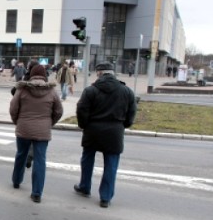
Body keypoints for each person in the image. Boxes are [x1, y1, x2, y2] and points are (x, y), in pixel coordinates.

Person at [74, 62, 137, 208]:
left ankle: (85, 186)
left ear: (99, 73)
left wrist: (84, 125)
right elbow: (132, 111)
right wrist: (124, 125)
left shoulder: (91, 90)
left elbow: (81, 109)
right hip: (115, 131)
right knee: (111, 164)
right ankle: (105, 196)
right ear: (112, 73)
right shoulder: (126, 91)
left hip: (93, 129)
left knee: (87, 159)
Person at [9, 65, 63, 203]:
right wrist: (49, 123)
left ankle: (16, 180)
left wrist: (17, 121)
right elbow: (59, 111)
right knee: (40, 160)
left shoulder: (22, 89)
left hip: (24, 127)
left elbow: (13, 108)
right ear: (45, 76)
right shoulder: (51, 91)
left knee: (21, 154)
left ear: (31, 75)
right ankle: (37, 193)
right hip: (43, 131)